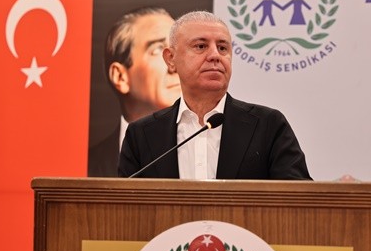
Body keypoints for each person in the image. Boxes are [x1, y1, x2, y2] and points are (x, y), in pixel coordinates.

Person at [118, 10, 311, 180]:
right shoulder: (141, 135)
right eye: (201, 46)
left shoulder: (268, 125)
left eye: (223, 48)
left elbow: (299, 198)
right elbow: (124, 203)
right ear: (171, 59)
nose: (215, 56)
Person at [88, 7, 181, 176]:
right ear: (120, 77)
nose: (176, 64)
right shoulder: (84, 168)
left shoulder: (213, 153)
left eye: (179, 50)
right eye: (158, 50)